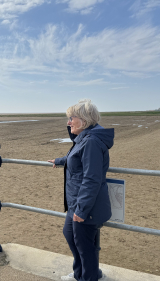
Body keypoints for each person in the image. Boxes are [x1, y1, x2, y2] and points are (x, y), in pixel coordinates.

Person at [48, 99, 114, 281]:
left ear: (84, 120)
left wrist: (82, 209)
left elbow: (92, 178)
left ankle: (90, 277)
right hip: (76, 203)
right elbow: (75, 157)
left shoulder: (91, 141)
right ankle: (79, 275)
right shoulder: (83, 139)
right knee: (70, 235)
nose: (68, 122)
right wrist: (59, 160)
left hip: (85, 206)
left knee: (85, 248)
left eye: (71, 118)